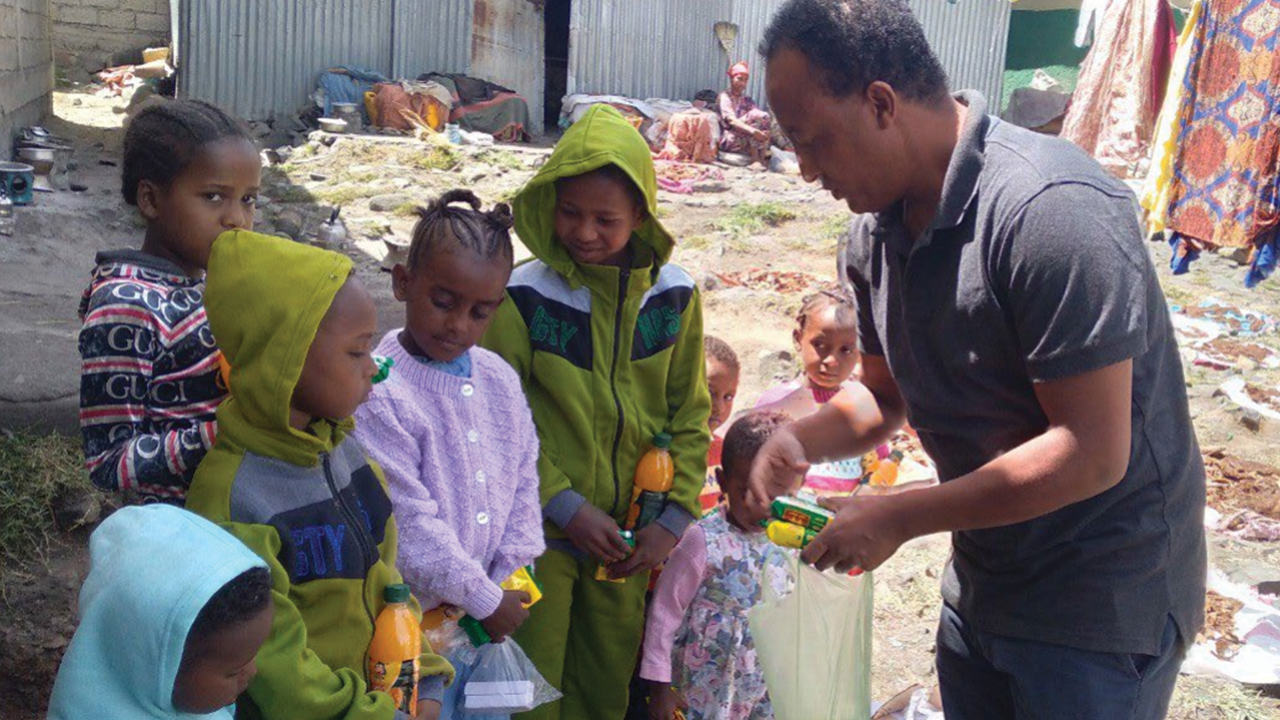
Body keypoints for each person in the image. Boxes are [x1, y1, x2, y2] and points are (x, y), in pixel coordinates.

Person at [750, 2, 1207, 719]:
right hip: (988, 580)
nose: (806, 171)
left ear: (879, 104)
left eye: (815, 142)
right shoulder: (873, 236)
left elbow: (1091, 454)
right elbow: (884, 396)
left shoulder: (1050, 212)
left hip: (1098, 606)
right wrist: (796, 437)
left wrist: (901, 515)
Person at [480, 103, 712, 720]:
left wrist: (674, 518)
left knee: (602, 690)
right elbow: (499, 421)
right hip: (537, 540)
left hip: (631, 543)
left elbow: (690, 412)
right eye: (570, 212)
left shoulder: (676, 298)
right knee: (524, 691)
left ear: (641, 214)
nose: (584, 232)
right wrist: (563, 504)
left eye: (606, 219)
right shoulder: (523, 296)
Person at [186, 231, 454, 720]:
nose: (373, 368)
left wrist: (425, 671)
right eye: (356, 353)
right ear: (283, 363)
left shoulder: (350, 458)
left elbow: (389, 585)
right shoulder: (234, 499)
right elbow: (273, 662)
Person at [353, 191, 545, 718]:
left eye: (479, 312)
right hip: (409, 632)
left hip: (488, 626)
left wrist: (512, 577)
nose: (459, 324)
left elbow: (523, 480)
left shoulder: (499, 380)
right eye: (444, 302)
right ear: (402, 282)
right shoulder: (378, 389)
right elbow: (407, 522)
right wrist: (483, 597)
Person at [77, 99, 260, 503]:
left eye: (248, 199)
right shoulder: (127, 307)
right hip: (170, 539)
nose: (237, 219)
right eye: (214, 197)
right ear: (151, 200)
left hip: (225, 514)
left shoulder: (207, 281)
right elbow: (108, 462)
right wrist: (225, 432)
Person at [48, 504, 274, 720]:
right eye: (232, 672)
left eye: (250, 657)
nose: (252, 671)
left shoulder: (184, 699)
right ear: (154, 669)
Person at [642, 411, 792, 720]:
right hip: (700, 690)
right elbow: (664, 614)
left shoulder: (792, 543)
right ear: (723, 480)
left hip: (763, 688)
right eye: (746, 491)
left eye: (776, 494)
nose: (760, 505)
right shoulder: (703, 540)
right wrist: (659, 690)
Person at [752, 287, 883, 496]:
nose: (831, 361)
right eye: (820, 345)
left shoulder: (862, 405)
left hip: (842, 521)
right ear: (798, 338)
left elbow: (876, 463)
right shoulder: (776, 404)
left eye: (846, 350)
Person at [700, 334, 740, 511]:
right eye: (710, 392)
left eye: (728, 397)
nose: (719, 407)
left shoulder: (725, 453)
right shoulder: (662, 448)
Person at [718, 62, 773, 168]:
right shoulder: (725, 97)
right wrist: (753, 131)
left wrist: (760, 132)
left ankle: (761, 158)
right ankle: (755, 159)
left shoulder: (747, 99)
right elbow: (731, 121)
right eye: (739, 79)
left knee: (764, 118)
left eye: (745, 80)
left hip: (746, 137)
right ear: (731, 79)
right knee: (755, 118)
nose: (742, 83)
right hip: (731, 138)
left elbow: (760, 119)